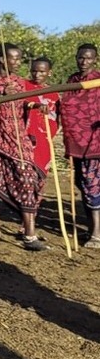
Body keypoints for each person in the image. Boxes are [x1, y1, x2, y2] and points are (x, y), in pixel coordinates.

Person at [0, 43, 47, 251]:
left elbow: (23, 104)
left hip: (18, 139)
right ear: (1, 60)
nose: (17, 62)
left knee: (27, 179)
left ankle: (29, 233)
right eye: (13, 58)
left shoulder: (18, 82)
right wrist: (0, 95)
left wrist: (35, 105)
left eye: (19, 58)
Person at [59, 44, 100, 248]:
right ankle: (93, 230)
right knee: (83, 185)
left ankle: (96, 235)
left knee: (93, 186)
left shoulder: (98, 81)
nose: (84, 62)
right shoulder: (72, 81)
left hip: (96, 141)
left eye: (88, 58)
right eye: (81, 58)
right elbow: (67, 106)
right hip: (77, 142)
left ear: (95, 59)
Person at [22, 57, 60, 173]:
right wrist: (34, 105)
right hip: (25, 136)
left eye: (42, 72)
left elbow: (56, 117)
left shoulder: (54, 93)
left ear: (49, 73)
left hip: (44, 138)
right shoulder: (24, 86)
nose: (37, 74)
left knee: (40, 171)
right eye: (34, 71)